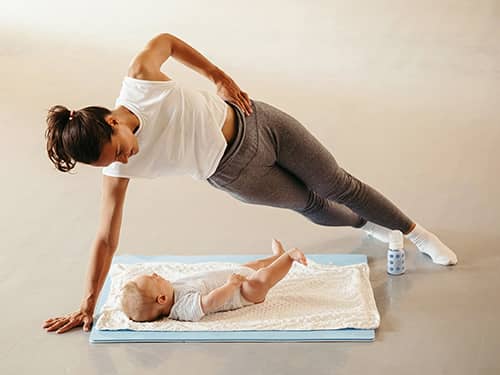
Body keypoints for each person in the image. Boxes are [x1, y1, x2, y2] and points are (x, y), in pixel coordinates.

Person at [42, 33, 457, 334]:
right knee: (311, 205)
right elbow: (105, 238)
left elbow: (165, 41)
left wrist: (217, 76)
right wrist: (87, 304)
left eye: (117, 150)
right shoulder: (117, 171)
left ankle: (416, 233)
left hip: (258, 120)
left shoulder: (140, 81)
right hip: (236, 174)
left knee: (337, 183)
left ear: (113, 122)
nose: (122, 160)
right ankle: (368, 226)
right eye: (110, 164)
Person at [121, 239, 307, 322]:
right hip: (243, 294)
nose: (155, 274)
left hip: (236, 276)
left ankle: (277, 256)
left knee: (255, 264)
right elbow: (210, 302)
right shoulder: (182, 308)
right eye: (154, 279)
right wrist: (231, 285)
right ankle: (289, 258)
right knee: (262, 278)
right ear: (161, 299)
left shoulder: (172, 290)